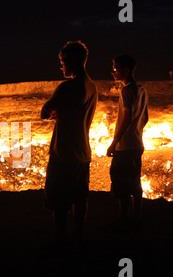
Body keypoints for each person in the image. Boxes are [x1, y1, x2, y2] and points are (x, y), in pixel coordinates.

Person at [41, 41, 98, 244]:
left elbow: (44, 112)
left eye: (63, 61)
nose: (61, 66)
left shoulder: (68, 87)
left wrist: (57, 112)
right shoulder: (91, 87)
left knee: (59, 201)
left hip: (63, 153)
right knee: (80, 198)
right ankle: (79, 238)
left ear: (73, 61)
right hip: (82, 152)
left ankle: (61, 240)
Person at [107, 54, 149, 228]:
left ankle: (123, 220)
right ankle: (137, 216)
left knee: (122, 183)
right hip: (137, 143)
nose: (113, 72)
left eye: (116, 68)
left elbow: (127, 117)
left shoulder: (126, 90)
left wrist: (114, 142)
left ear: (127, 70)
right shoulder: (142, 90)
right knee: (135, 181)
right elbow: (145, 117)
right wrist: (137, 132)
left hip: (125, 146)